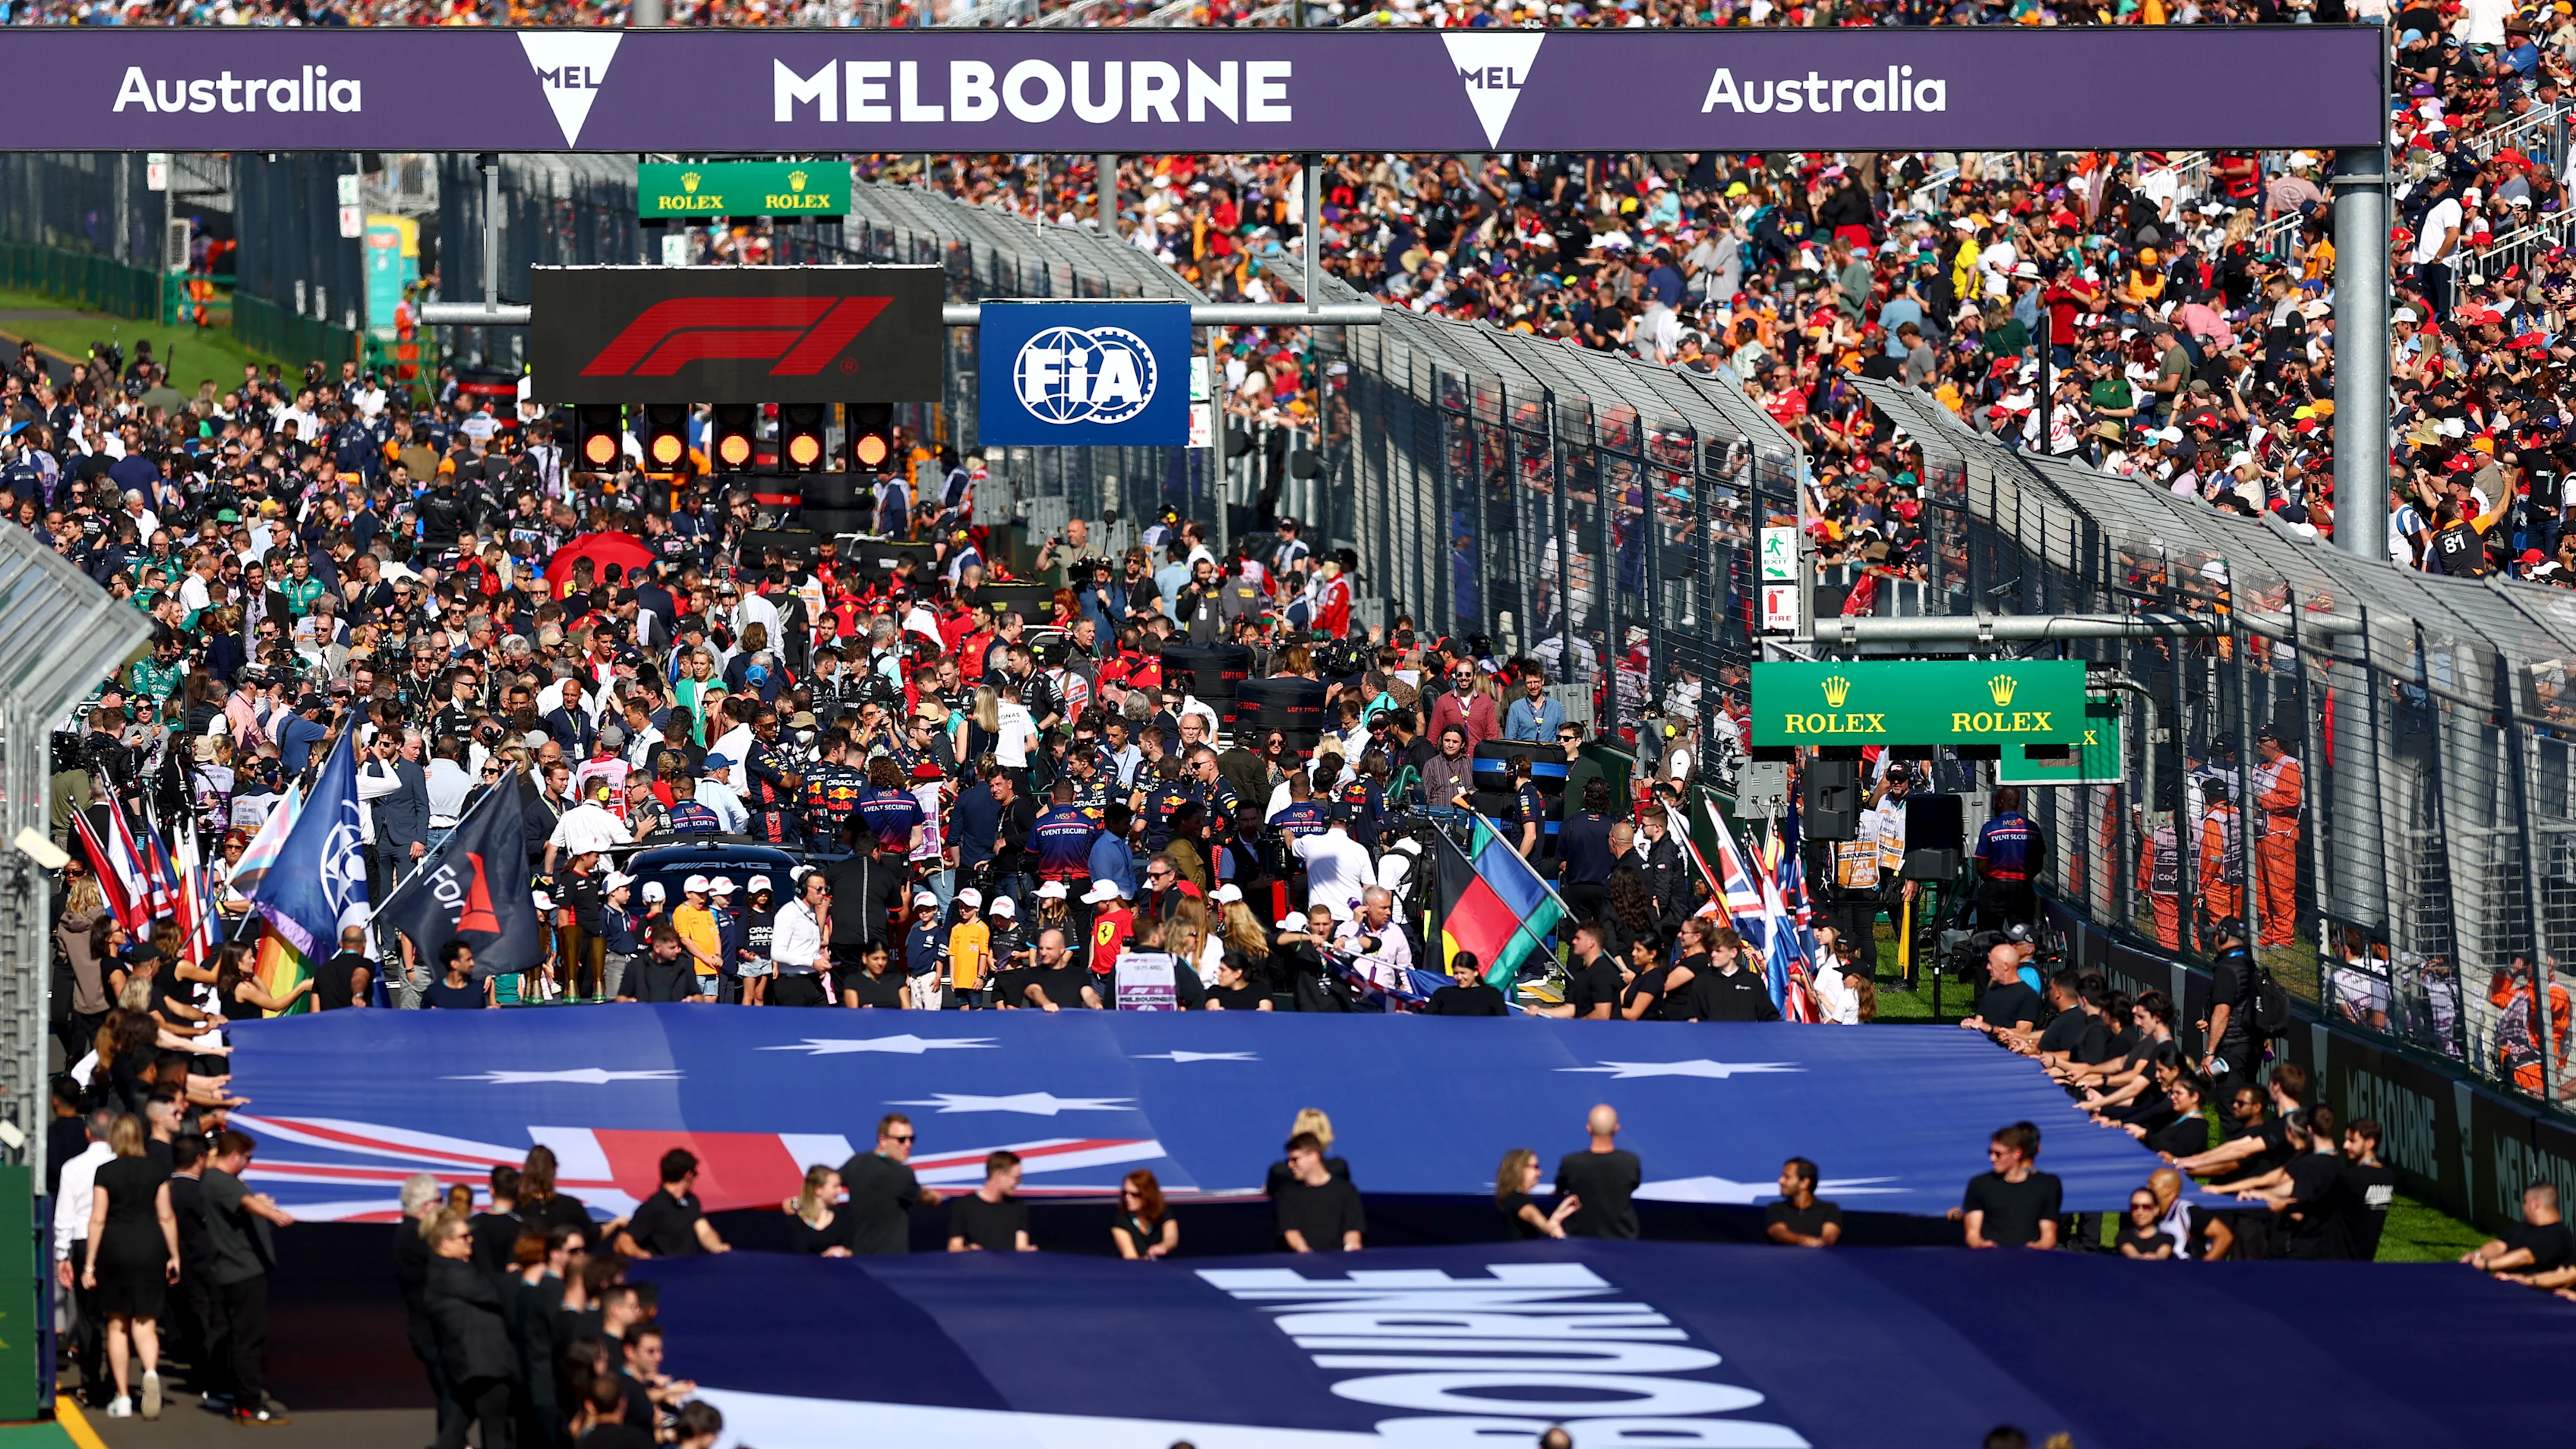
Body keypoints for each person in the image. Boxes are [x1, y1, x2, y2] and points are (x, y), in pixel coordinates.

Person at [81, 1114, 177, 1419]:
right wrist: (174, 1255)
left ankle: (122, 1396)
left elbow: (98, 1218)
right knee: (145, 1323)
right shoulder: (157, 1169)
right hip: (150, 1247)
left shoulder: (106, 1171)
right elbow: (166, 1216)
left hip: (116, 1248)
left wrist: (90, 1263)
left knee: (117, 1323)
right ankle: (150, 1371)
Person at [202, 1130, 294, 1425]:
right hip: (241, 1272)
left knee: (240, 1338)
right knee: (248, 1340)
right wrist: (274, 1214)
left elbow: (245, 1201)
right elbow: (246, 1202)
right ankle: (250, 1405)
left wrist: (259, 1202)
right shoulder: (222, 1181)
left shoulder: (220, 1183)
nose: (248, 1164)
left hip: (233, 1271)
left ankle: (242, 1397)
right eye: (247, 1158)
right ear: (234, 1156)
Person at [424, 1208, 517, 1449]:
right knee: (496, 1433)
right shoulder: (455, 1273)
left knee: (454, 1430)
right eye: (463, 1237)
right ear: (445, 1243)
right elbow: (496, 1294)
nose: (470, 1240)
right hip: (485, 1366)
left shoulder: (442, 1272)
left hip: (471, 1366)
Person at [838, 1114, 939, 1255]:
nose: (908, 1145)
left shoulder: (856, 1163)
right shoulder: (903, 1174)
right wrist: (931, 1195)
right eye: (901, 1139)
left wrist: (796, 1203)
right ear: (883, 1140)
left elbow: (825, 1183)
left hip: (859, 1261)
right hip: (892, 1262)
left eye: (911, 1139)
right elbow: (932, 1201)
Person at [1958, 1122, 2062, 1250]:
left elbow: (2049, 1236)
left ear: (2017, 1153)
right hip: (1990, 1260)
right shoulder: (1979, 1184)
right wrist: (1982, 1245)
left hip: (2030, 1261)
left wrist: (2036, 1247)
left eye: (1998, 1154)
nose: (1992, 1158)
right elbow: (1972, 1234)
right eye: (1990, 1152)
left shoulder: (2047, 1185)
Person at [614, 1148, 730, 1259]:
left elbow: (704, 1230)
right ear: (688, 1175)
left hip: (689, 1271)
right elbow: (623, 1240)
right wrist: (640, 1254)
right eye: (695, 1173)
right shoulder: (654, 1206)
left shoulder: (691, 1200)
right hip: (664, 1273)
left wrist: (716, 1247)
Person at [1554, 1105, 1641, 1240]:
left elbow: (1560, 1189)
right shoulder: (1630, 1162)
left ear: (1589, 1128)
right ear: (1616, 1128)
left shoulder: (1571, 1163)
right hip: (1622, 1240)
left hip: (1580, 1240)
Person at [1274, 1132, 1364, 1252]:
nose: (1290, 1165)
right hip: (1303, 1263)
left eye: (1295, 1159)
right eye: (1289, 1160)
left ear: (1313, 1156)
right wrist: (1307, 1254)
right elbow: (1291, 1231)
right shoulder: (1289, 1193)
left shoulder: (1346, 1191)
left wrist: (1351, 1249)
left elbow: (1352, 1229)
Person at [2464, 1182, 2572, 1277]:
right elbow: (2500, 1245)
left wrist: (2487, 1264)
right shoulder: (2522, 1227)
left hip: (2532, 1294)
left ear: (2536, 1204)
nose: (2523, 1207)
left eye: (2525, 1202)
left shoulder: (2559, 1234)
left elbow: (2525, 1256)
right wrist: (2478, 1255)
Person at [947, 1151, 1035, 1252]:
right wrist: (968, 1251)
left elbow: (1021, 1246)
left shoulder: (1018, 1206)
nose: (1019, 1183)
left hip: (1010, 1267)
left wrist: (1028, 1251)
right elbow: (954, 1248)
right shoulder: (963, 1206)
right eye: (1016, 1178)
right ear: (999, 1176)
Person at [1494, 1148, 1580, 1240]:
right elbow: (1530, 1213)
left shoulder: (1517, 1198)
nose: (1540, 1173)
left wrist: (1557, 1217)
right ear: (1519, 1169)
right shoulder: (1517, 1198)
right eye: (1535, 1167)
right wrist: (1549, 1228)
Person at [1761, 1157, 1841, 1247]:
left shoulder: (1829, 1209)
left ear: (1804, 1183)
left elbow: (1830, 1236)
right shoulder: (1775, 1208)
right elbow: (1777, 1232)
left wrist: (1821, 1243)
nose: (1780, 1181)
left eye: (1787, 1177)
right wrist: (1804, 1241)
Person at [784, 1166, 855, 1257]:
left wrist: (846, 1253)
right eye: (835, 1186)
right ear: (818, 1190)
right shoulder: (795, 1222)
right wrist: (822, 1257)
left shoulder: (844, 1217)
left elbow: (856, 1251)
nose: (840, 1190)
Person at [1111, 1169, 1179, 1260]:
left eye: (1135, 1194)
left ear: (1148, 1195)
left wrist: (1163, 1247)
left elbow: (1171, 1238)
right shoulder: (1121, 1220)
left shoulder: (1163, 1212)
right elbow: (1130, 1257)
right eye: (1125, 1193)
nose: (1128, 1198)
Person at [1425, 951, 1510, 1016]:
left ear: (1475, 972)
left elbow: (1504, 1023)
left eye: (1463, 973)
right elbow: (1426, 1019)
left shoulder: (1491, 994)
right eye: (1456, 973)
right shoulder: (1442, 994)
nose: (1459, 977)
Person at [2114, 1189, 2175, 1259]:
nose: (2140, 1212)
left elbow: (2163, 1253)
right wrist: (2141, 1258)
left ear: (2156, 1210)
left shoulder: (2167, 1238)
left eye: (2146, 1207)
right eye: (2135, 1207)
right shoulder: (2124, 1236)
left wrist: (2156, 1258)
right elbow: (2129, 1252)